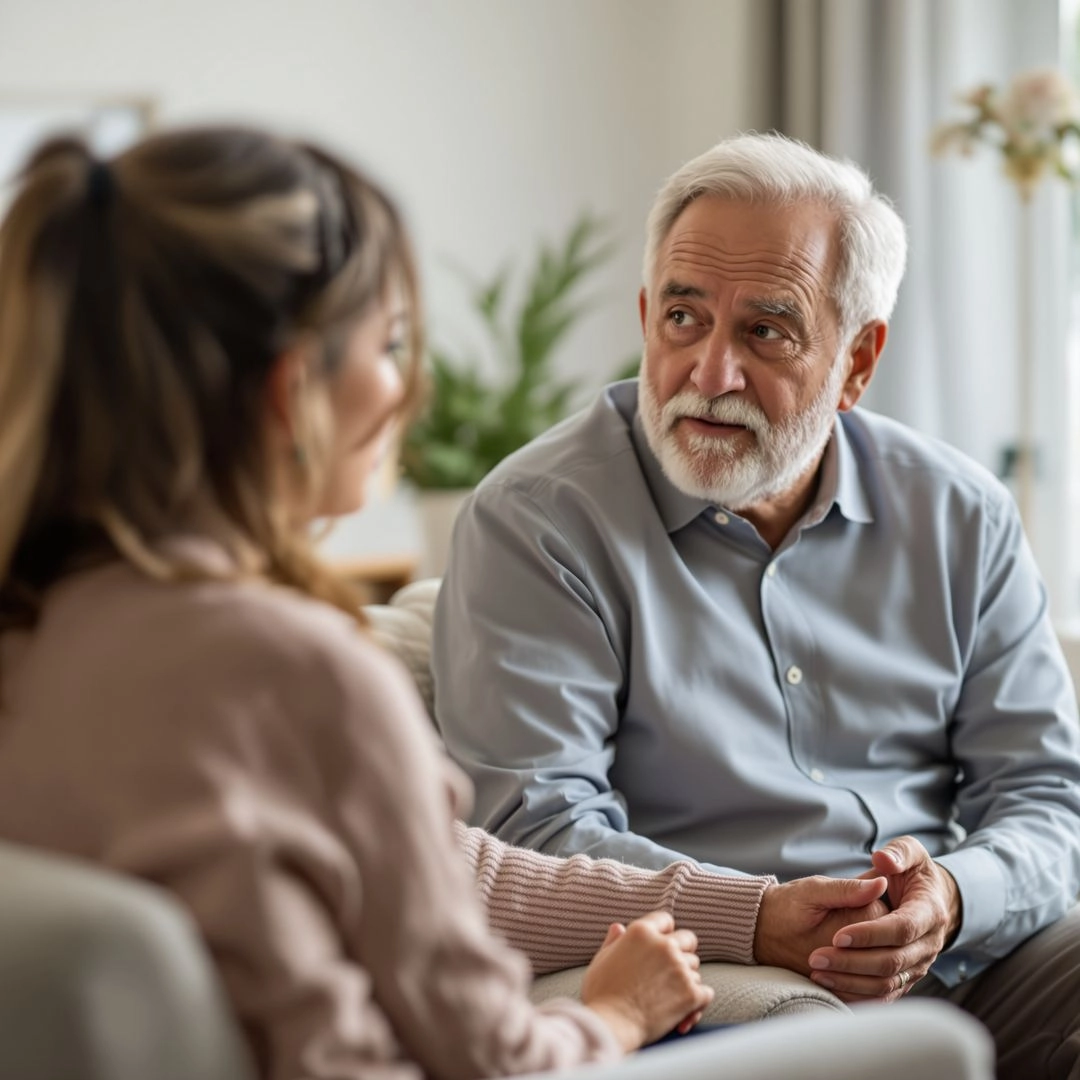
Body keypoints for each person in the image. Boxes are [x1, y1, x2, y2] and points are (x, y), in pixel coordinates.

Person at [0, 125, 995, 1080]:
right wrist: (614, 1011)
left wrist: (750, 913)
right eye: (391, 343)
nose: (413, 390)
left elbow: (451, 870)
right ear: (291, 392)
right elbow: (492, 1052)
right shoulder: (298, 676)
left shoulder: (43, 631)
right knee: (932, 1063)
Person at [432, 132, 1080, 1079]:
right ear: (648, 314)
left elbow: (1045, 796)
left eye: (765, 332)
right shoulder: (538, 521)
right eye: (684, 319)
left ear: (858, 362)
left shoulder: (961, 511)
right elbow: (533, 831)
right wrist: (758, 916)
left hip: (969, 955)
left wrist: (951, 894)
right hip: (728, 965)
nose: (710, 374)